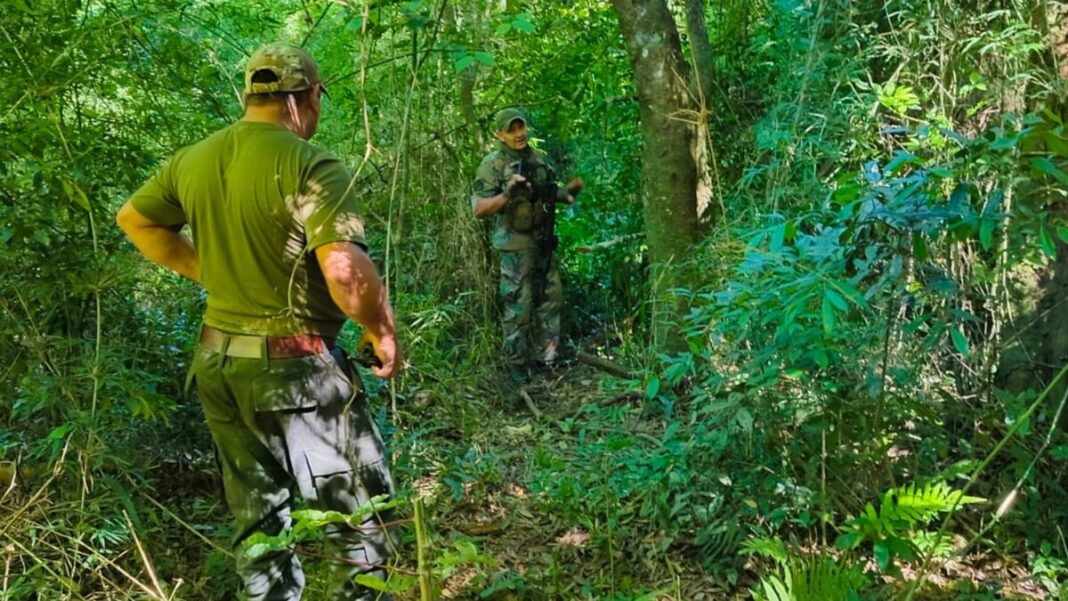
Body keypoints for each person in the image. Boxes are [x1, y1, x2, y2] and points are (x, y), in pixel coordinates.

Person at [116, 42, 400, 601]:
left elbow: (135, 220)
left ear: (250, 95)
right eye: (318, 99)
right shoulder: (308, 163)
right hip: (296, 371)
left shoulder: (192, 160)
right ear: (305, 99)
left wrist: (213, 276)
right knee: (362, 518)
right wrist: (382, 331)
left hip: (219, 367)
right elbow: (344, 268)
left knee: (260, 526)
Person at [471, 108, 582, 384]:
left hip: (541, 241)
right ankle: (516, 366)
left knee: (550, 298)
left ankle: (547, 360)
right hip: (513, 247)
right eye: (512, 130)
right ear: (499, 134)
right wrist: (508, 193)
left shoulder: (537, 160)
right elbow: (479, 209)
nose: (519, 134)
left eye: (521, 128)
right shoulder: (492, 165)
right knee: (517, 307)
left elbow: (550, 192)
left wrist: (568, 194)